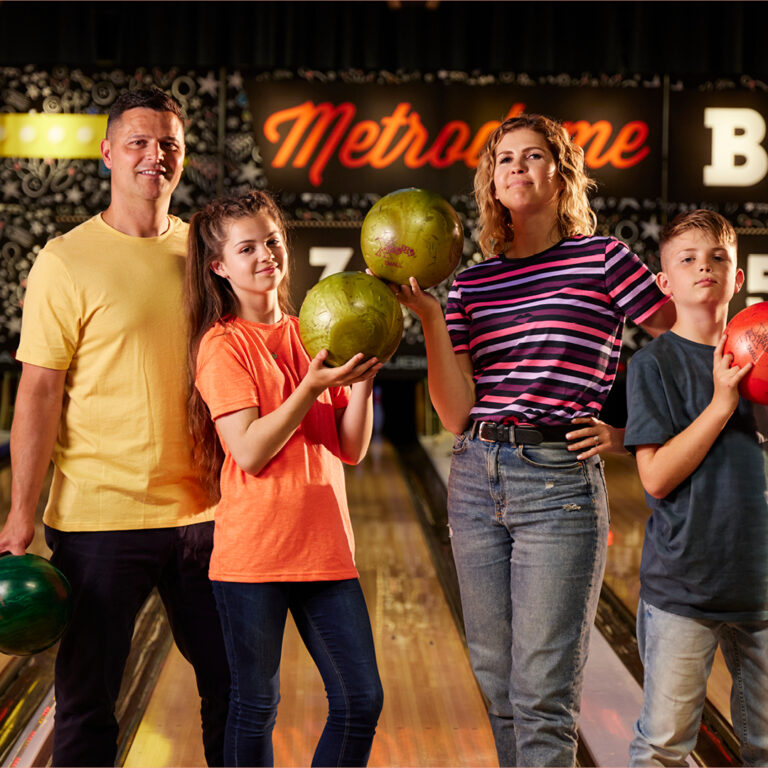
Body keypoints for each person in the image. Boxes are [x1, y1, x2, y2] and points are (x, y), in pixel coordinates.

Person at [393, 113, 674, 767]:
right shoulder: (470, 284)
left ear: (561, 172)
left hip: (559, 484)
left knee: (542, 697)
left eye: (533, 156)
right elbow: (456, 412)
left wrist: (635, 434)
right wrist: (433, 320)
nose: (516, 167)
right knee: (498, 686)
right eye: (504, 159)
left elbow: (684, 339)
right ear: (490, 181)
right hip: (473, 473)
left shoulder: (602, 258)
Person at [0, 87, 229, 767]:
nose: (154, 156)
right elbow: (39, 391)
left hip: (204, 515)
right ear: (107, 153)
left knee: (239, 688)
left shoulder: (205, 254)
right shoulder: (64, 260)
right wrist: (20, 514)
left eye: (169, 144)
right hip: (100, 521)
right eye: (138, 142)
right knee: (87, 703)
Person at [185, 189, 384, 767]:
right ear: (219, 266)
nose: (264, 255)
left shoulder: (311, 333)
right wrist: (311, 388)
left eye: (271, 242)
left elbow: (349, 448)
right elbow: (248, 451)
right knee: (255, 706)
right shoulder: (222, 345)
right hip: (254, 557)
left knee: (360, 699)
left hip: (325, 549)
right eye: (246, 248)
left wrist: (365, 378)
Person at [625, 210, 768, 767]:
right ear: (666, 283)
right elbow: (656, 476)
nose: (703, 267)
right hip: (684, 589)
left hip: (760, 587)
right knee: (664, 746)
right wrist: (721, 404)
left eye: (717, 258)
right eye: (687, 259)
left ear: (737, 277)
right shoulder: (653, 365)